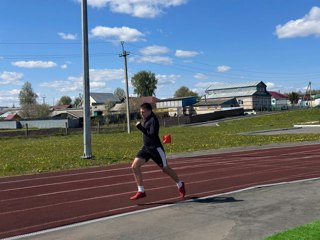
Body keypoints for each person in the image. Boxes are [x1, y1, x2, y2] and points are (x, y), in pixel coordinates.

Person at [130, 102, 186, 200]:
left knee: (165, 169)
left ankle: (180, 184)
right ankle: (141, 190)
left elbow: (152, 135)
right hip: (146, 148)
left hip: (156, 149)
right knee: (134, 166)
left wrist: (140, 128)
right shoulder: (146, 119)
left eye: (143, 112)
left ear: (149, 111)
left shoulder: (153, 120)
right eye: (140, 112)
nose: (141, 114)